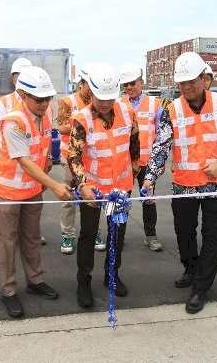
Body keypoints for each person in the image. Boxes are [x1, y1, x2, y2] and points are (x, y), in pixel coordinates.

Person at [142, 52, 217, 314]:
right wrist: (150, 178)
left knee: (212, 237)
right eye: (182, 83)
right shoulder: (171, 110)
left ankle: (201, 288)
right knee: (184, 232)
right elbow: (161, 146)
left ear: (204, 79)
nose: (186, 87)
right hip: (184, 185)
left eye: (191, 81)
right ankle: (190, 268)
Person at [0, 66, 72, 318]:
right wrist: (55, 184)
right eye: (39, 99)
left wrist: (47, 161)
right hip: (8, 191)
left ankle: (35, 281)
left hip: (32, 190)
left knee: (32, 237)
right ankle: (8, 291)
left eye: (48, 98)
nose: (44, 103)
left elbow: (45, 147)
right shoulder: (13, 121)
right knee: (7, 243)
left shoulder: (45, 116)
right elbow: (24, 160)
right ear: (23, 95)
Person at [69, 64, 140, 308]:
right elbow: (74, 156)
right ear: (91, 92)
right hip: (94, 189)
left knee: (116, 233)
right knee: (88, 234)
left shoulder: (127, 112)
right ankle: (83, 282)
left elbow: (134, 143)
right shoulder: (81, 120)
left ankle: (112, 275)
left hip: (120, 187)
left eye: (110, 99)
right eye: (101, 99)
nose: (106, 104)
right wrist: (82, 183)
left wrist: (135, 168)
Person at [0, 57, 47, 245]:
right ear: (13, 78)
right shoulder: (6, 104)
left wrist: (44, 172)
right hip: (10, 185)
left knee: (31, 237)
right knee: (8, 239)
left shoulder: (43, 107)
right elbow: (0, 137)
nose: (44, 102)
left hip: (33, 183)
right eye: (18, 75)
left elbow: (43, 142)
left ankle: (35, 275)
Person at [56, 65, 104, 255]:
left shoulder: (99, 100)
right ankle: (68, 234)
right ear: (81, 84)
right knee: (69, 196)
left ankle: (94, 232)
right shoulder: (67, 101)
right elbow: (61, 127)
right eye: (89, 86)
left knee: (93, 196)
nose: (92, 91)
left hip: (92, 157)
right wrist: (83, 120)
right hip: (71, 157)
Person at [119, 63, 163, 252]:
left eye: (132, 83)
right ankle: (117, 235)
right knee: (121, 199)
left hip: (146, 162)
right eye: (125, 85)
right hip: (124, 162)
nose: (129, 87)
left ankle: (150, 235)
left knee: (148, 199)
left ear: (141, 82)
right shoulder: (118, 104)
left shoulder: (155, 104)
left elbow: (162, 133)